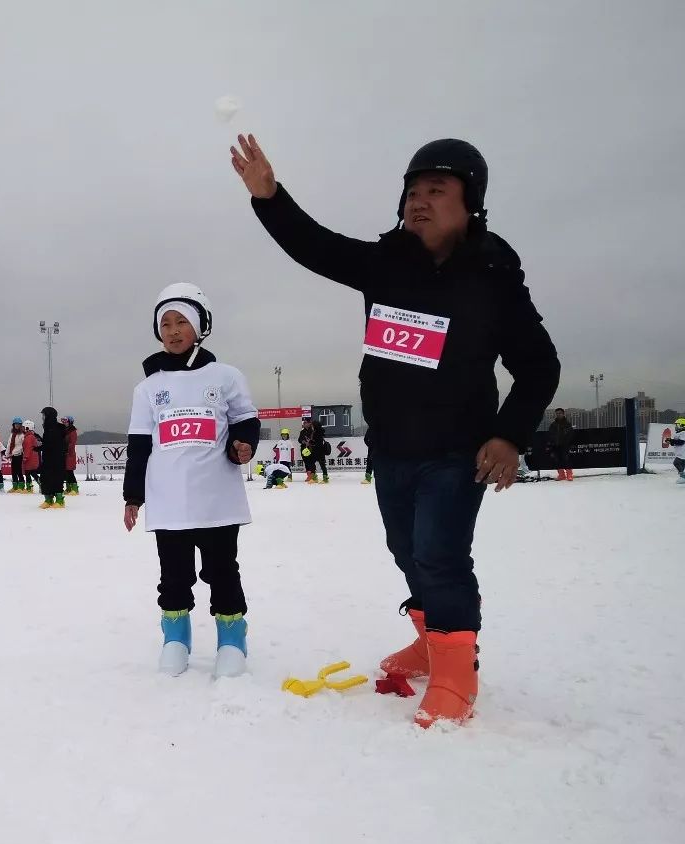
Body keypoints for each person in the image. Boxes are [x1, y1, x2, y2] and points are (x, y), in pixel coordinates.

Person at [234, 134, 560, 727]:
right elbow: (315, 246)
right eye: (412, 191)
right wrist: (269, 197)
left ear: (471, 202)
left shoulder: (492, 274)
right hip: (392, 445)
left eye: (437, 190)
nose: (419, 201)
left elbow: (539, 364)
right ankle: (432, 641)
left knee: (439, 551)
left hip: (458, 448)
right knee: (406, 549)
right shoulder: (386, 263)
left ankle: (457, 670)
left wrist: (510, 435)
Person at [123, 282, 260, 678]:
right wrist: (133, 495)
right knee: (174, 574)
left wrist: (244, 444)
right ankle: (176, 639)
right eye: (165, 323)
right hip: (169, 499)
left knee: (221, 570)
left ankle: (233, 640)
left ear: (200, 326)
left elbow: (245, 419)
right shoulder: (148, 388)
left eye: (182, 321)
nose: (173, 330)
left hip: (217, 497)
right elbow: (139, 444)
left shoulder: (226, 375)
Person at [36, 407, 67, 509]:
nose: (43, 417)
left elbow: (53, 444)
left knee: (57, 478)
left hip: (57, 459)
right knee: (45, 478)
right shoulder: (47, 428)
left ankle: (59, 500)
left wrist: (40, 447)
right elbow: (47, 443)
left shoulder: (56, 428)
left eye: (44, 415)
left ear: (49, 415)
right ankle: (48, 499)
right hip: (48, 458)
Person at [298, 416, 329, 484]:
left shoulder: (315, 432)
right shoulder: (317, 431)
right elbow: (300, 439)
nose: (311, 425)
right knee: (316, 464)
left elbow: (315, 442)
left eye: (312, 425)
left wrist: (310, 442)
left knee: (316, 463)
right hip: (315, 450)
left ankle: (317, 477)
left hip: (317, 451)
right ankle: (320, 477)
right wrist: (306, 441)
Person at [546, 408, 575, 481]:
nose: (558, 414)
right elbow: (550, 434)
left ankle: (569, 475)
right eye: (557, 413)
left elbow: (570, 435)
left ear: (563, 414)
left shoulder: (567, 424)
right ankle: (561, 475)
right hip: (555, 445)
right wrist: (551, 443)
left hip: (565, 445)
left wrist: (567, 442)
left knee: (566, 459)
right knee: (557, 460)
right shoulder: (553, 424)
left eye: (560, 413)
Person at [668, 417, 685, 483]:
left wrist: (672, 441)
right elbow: (676, 443)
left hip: (683, 453)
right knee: (682, 466)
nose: (676, 427)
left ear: (683, 425)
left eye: (677, 425)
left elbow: (681, 442)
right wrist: (671, 441)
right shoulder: (679, 433)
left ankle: (684, 476)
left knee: (676, 463)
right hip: (680, 453)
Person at [22, 419, 40, 494]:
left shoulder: (29, 437)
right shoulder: (30, 436)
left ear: (27, 428)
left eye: (23, 427)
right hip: (32, 457)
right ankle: (41, 484)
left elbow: (28, 448)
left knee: (28, 473)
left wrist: (25, 457)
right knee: (32, 473)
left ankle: (29, 488)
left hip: (30, 458)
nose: (22, 429)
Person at [63, 415, 80, 495]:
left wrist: (66, 449)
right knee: (66, 472)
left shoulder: (72, 431)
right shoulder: (64, 430)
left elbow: (72, 443)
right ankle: (68, 488)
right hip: (64, 454)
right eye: (63, 421)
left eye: (66, 421)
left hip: (70, 454)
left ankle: (75, 488)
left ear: (70, 422)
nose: (64, 423)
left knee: (70, 471)